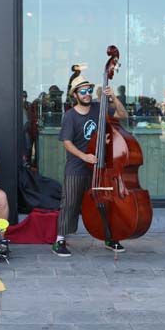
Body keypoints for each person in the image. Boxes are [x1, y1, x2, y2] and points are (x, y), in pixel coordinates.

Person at [53, 74, 128, 257]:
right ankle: (60, 240)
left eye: (89, 90)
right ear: (75, 95)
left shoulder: (98, 108)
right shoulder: (70, 116)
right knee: (70, 203)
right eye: (83, 91)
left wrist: (113, 97)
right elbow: (67, 142)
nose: (87, 94)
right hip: (77, 166)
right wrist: (84, 156)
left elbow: (123, 115)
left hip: (100, 166)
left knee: (104, 202)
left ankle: (109, 237)